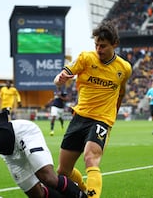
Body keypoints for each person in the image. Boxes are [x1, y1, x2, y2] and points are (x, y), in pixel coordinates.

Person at [53, 20, 132, 198]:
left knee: (90, 157)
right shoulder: (85, 58)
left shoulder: (124, 68)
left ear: (115, 44)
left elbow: (121, 92)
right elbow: (59, 77)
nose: (99, 49)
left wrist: (113, 115)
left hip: (102, 120)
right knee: (63, 171)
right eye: (96, 45)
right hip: (79, 117)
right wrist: (59, 79)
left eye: (103, 46)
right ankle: (83, 189)